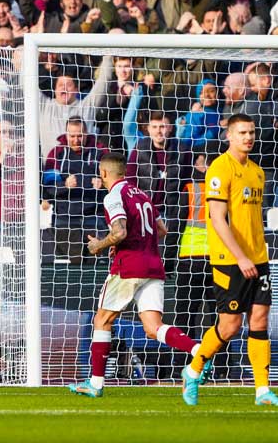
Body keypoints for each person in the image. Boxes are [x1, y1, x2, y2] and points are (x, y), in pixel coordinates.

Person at [68, 153, 201, 399]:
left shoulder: (114, 196)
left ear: (104, 173)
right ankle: (198, 350)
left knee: (102, 321)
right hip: (153, 266)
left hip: (128, 266)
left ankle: (96, 383)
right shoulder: (142, 195)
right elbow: (162, 230)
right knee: (153, 328)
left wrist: (99, 245)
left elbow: (119, 232)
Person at [181, 114, 278, 407]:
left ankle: (262, 391)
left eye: (251, 132)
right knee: (230, 326)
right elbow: (217, 218)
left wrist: (255, 253)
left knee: (259, 320)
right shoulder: (219, 168)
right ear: (229, 135)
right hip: (229, 259)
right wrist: (241, 257)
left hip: (258, 257)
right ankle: (193, 370)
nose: (248, 137)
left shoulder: (257, 171)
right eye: (242, 132)